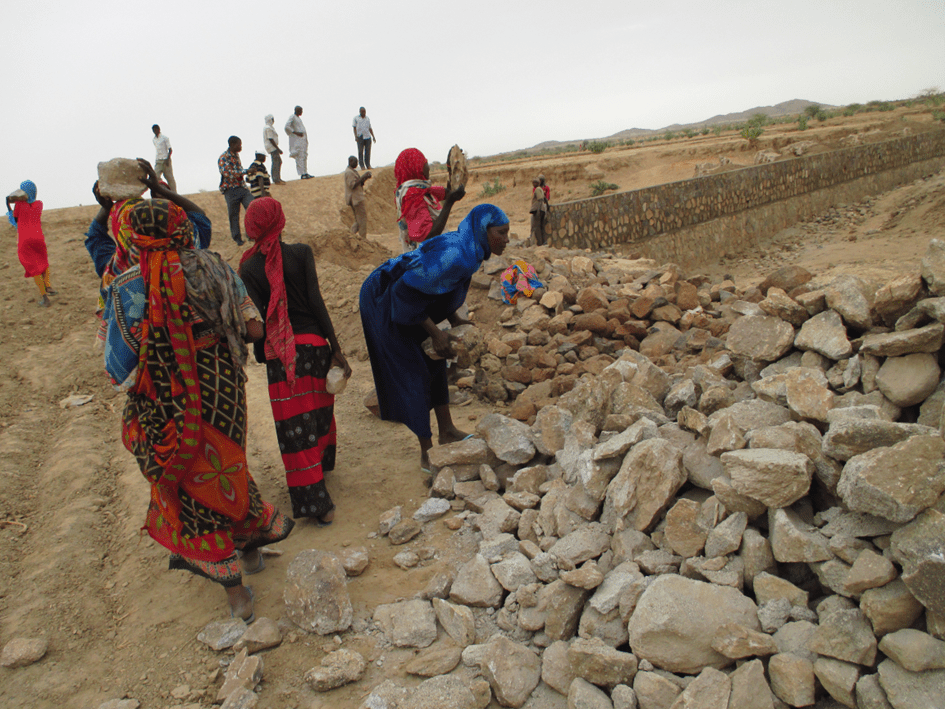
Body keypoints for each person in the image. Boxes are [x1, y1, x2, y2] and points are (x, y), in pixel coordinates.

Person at [99, 189, 293, 623]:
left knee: (193, 486)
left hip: (171, 400)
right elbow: (255, 329)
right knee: (229, 464)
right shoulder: (216, 266)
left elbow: (120, 370)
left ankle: (237, 595)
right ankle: (252, 554)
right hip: (226, 386)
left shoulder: (130, 284)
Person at [359, 204, 510, 473]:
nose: (506, 239)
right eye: (501, 232)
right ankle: (426, 450)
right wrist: (436, 333)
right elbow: (404, 294)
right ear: (484, 231)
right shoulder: (457, 254)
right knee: (414, 372)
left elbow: (440, 287)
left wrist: (455, 322)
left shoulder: (473, 250)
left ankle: (447, 430)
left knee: (438, 363)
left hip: (411, 304)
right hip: (384, 300)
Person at [238, 197, 351, 524]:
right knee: (319, 414)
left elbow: (256, 325)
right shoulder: (301, 253)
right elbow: (316, 301)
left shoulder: (248, 267)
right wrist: (336, 347)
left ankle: (318, 504)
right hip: (315, 346)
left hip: (282, 356)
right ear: (280, 221)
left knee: (295, 429)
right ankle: (322, 469)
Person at [86, 159, 212, 312]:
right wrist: (164, 192)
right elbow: (201, 218)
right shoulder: (196, 255)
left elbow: (95, 237)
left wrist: (107, 208)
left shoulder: (116, 272)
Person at [394, 148, 465, 253]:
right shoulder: (411, 196)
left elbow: (449, 192)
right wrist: (449, 203)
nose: (428, 167)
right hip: (429, 260)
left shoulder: (421, 190)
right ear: (416, 167)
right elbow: (427, 236)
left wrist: (451, 167)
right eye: (425, 163)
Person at [6, 180, 54, 307]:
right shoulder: (39, 204)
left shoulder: (19, 205)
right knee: (43, 261)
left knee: (33, 267)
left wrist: (8, 203)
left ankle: (45, 298)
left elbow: (15, 219)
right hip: (39, 237)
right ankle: (48, 285)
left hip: (25, 239)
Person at [219, 136, 253, 245]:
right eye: (239, 144)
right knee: (233, 215)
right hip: (230, 190)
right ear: (232, 144)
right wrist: (245, 171)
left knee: (251, 207)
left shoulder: (236, 156)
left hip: (241, 187)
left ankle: (251, 234)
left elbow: (237, 171)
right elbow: (227, 173)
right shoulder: (223, 158)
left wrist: (245, 173)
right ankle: (237, 238)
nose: (240, 147)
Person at [344, 156, 371, 238]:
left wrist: (364, 178)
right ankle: (363, 239)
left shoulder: (352, 171)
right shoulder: (349, 172)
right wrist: (362, 177)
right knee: (362, 220)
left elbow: (358, 184)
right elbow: (352, 185)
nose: (357, 163)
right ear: (350, 161)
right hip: (356, 199)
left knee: (358, 221)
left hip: (356, 198)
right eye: (356, 162)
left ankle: (349, 236)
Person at [285, 106, 312, 179]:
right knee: (299, 157)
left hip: (303, 141)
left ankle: (305, 172)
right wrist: (296, 133)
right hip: (298, 141)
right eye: (301, 110)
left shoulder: (298, 118)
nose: (302, 112)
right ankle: (302, 174)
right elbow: (287, 127)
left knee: (304, 156)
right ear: (297, 110)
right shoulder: (292, 117)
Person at [151, 125, 177, 192]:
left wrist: (168, 159)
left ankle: (174, 193)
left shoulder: (164, 138)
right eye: (153, 130)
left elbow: (170, 149)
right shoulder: (154, 139)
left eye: (156, 129)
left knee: (169, 178)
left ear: (159, 129)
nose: (155, 131)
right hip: (158, 160)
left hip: (165, 159)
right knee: (155, 176)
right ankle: (161, 190)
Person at [263, 115, 286, 185]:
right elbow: (270, 138)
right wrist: (278, 148)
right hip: (272, 147)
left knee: (278, 161)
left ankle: (277, 178)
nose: (273, 121)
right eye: (272, 119)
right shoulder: (268, 128)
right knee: (276, 162)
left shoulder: (269, 127)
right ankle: (276, 179)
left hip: (272, 147)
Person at [530, 177, 548, 246]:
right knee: (541, 226)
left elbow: (540, 199)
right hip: (542, 209)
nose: (533, 184)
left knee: (537, 227)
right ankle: (544, 241)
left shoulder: (537, 189)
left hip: (538, 209)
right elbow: (545, 199)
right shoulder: (541, 189)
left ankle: (540, 243)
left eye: (534, 183)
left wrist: (538, 209)